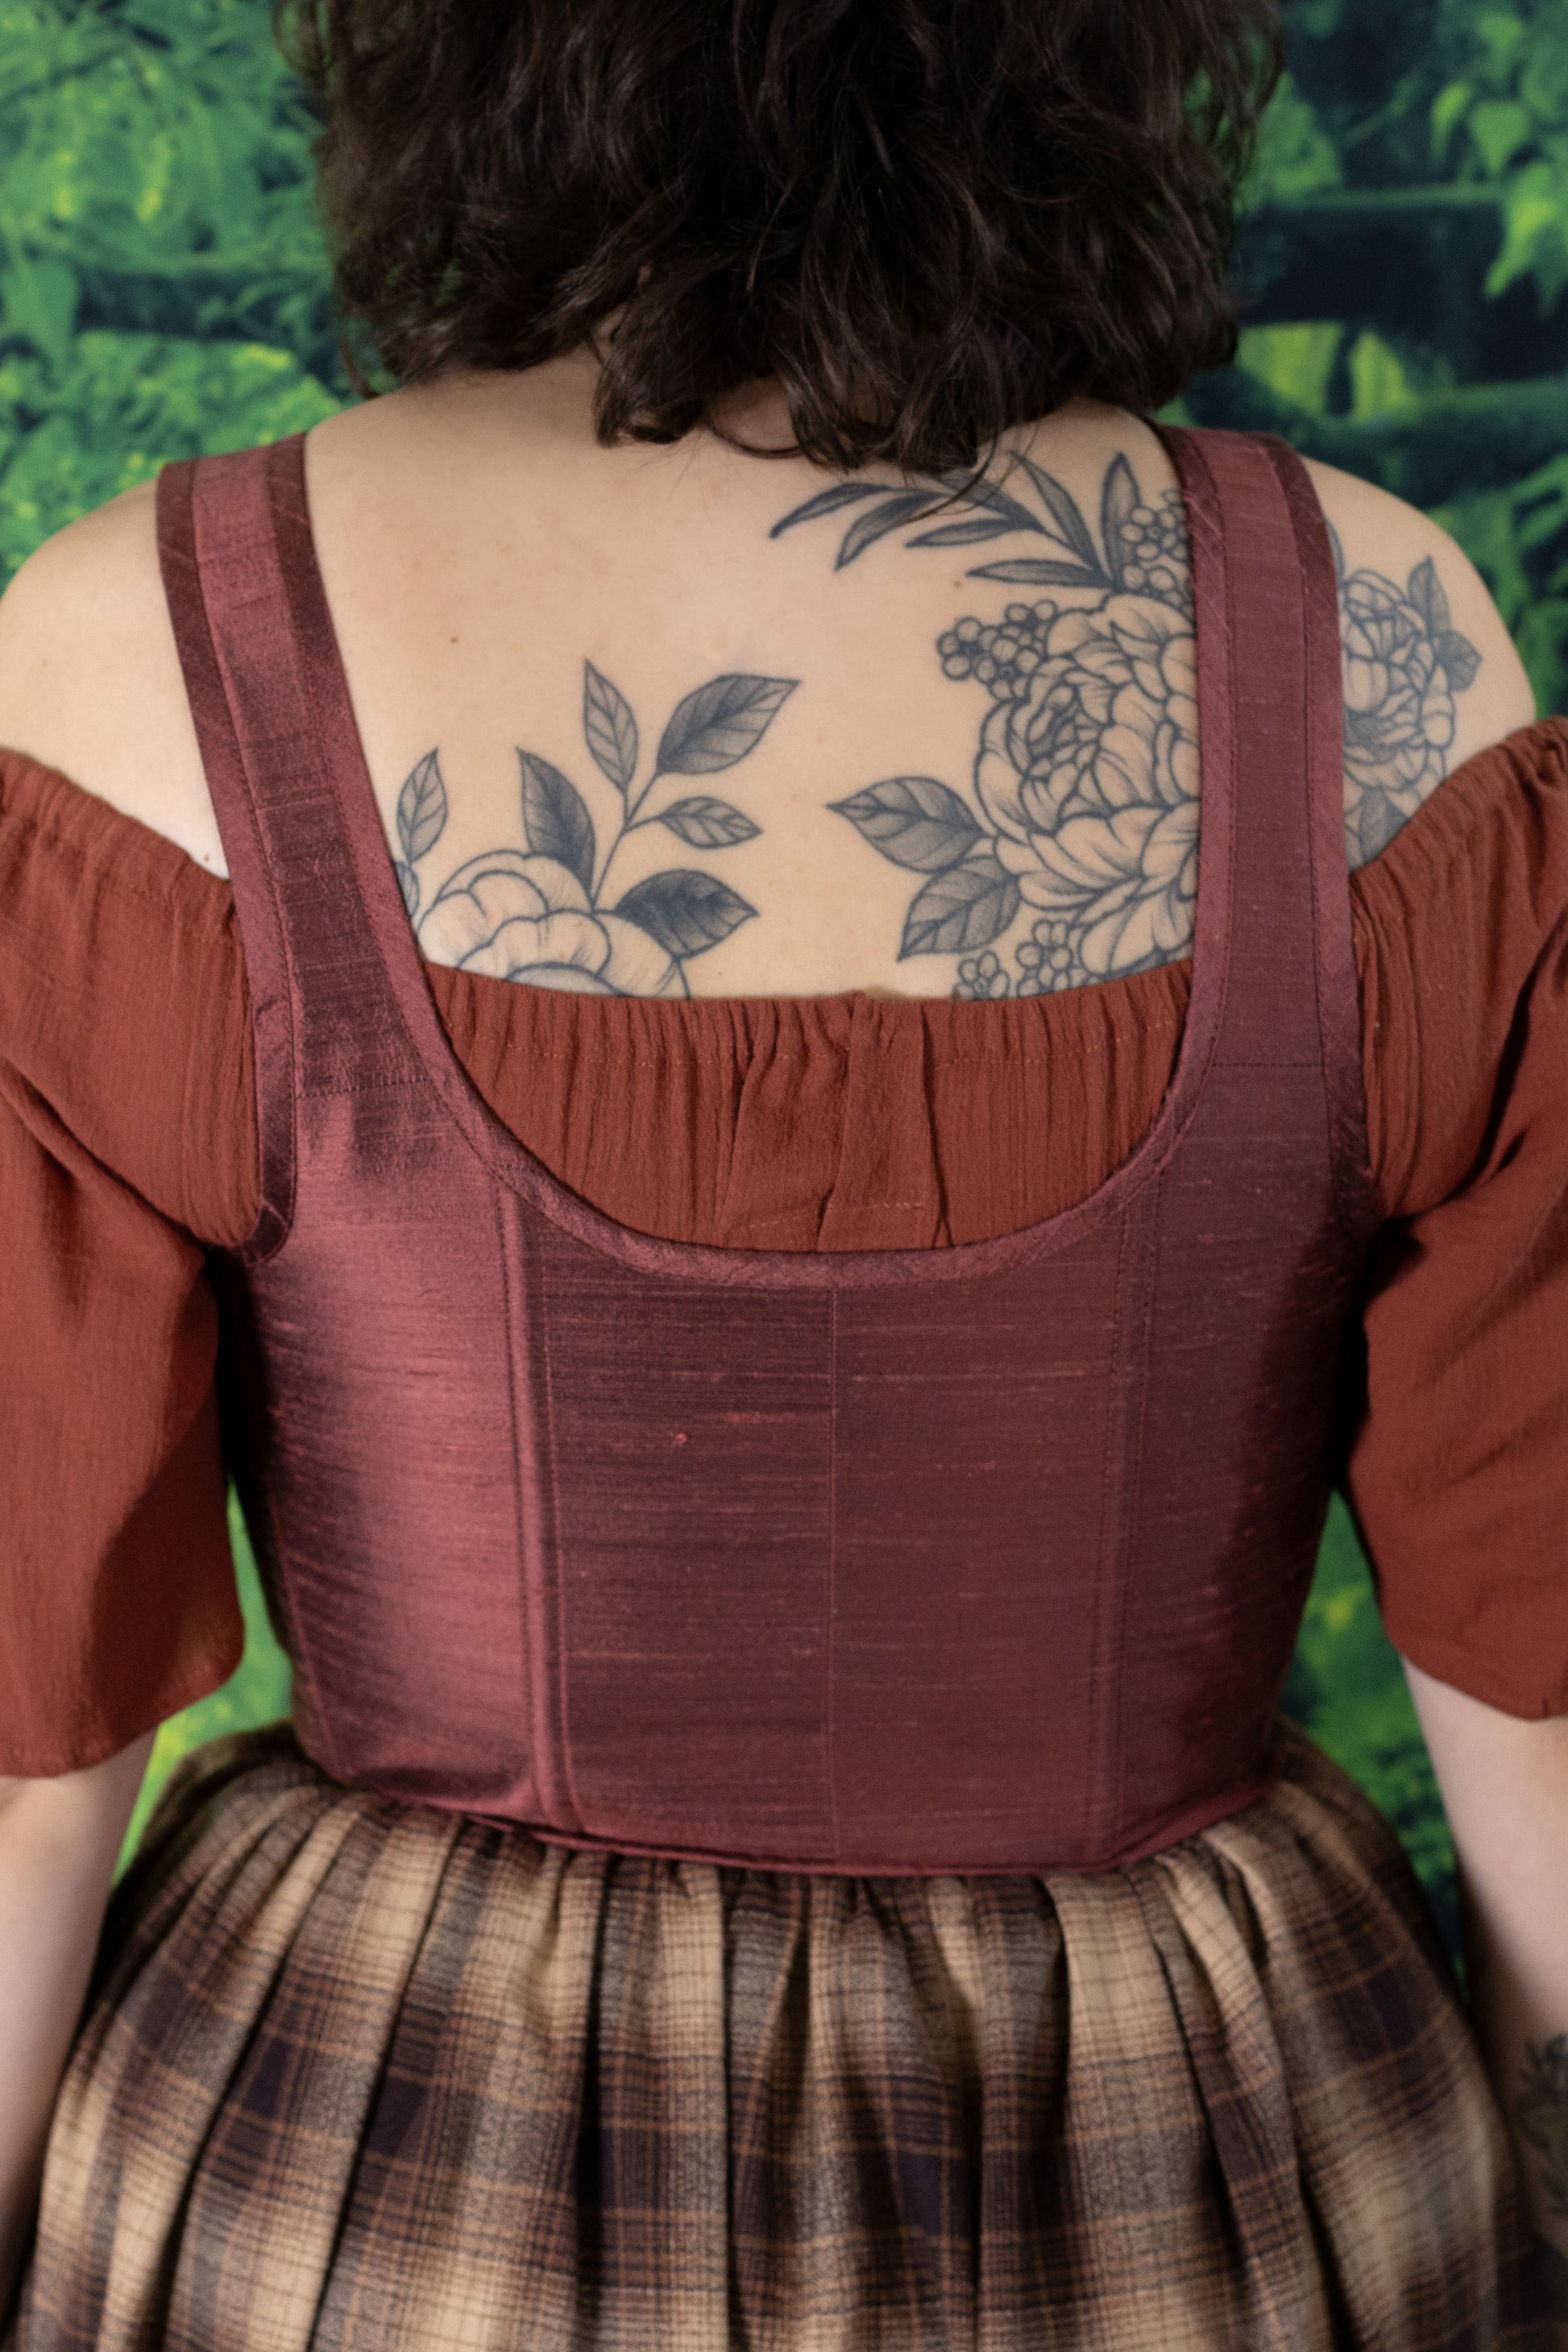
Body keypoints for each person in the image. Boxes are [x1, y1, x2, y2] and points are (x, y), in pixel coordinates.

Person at [2, 0, 1566, 2342]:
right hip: (1191, 2169)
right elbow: (1540, 1663)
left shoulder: (132, 647)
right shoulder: (1391, 644)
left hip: (391, 2183)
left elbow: (26, 1743)